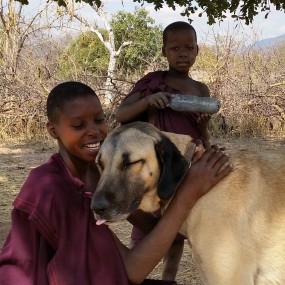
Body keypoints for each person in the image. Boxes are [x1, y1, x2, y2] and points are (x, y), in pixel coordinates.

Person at [0, 81, 231, 285]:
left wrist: (184, 171)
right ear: (53, 130)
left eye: (99, 120)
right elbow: (132, 271)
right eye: (78, 125)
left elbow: (154, 229)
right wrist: (187, 194)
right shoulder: (50, 187)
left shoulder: (100, 171)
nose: (94, 131)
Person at [115, 21, 213, 280]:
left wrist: (203, 130)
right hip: (156, 167)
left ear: (197, 51)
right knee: (149, 223)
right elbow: (120, 113)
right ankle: (137, 273)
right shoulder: (152, 83)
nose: (183, 53)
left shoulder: (201, 90)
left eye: (189, 48)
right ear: (164, 51)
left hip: (190, 166)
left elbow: (203, 138)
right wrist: (149, 101)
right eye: (175, 48)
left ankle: (169, 278)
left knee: (179, 227)